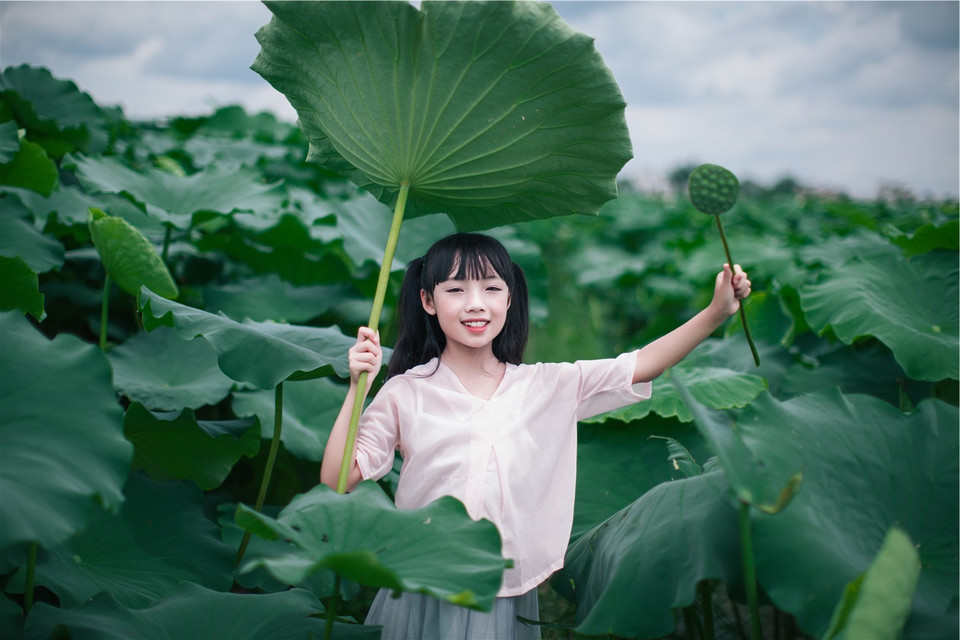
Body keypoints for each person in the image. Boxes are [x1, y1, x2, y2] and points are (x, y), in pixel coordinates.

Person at [320, 232, 751, 640]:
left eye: (491, 288)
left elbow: (639, 365)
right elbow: (338, 478)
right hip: (422, 580)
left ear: (510, 297)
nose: (476, 304)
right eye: (455, 290)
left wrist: (715, 313)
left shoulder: (547, 386)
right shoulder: (405, 391)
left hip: (500, 585)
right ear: (427, 301)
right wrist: (359, 386)